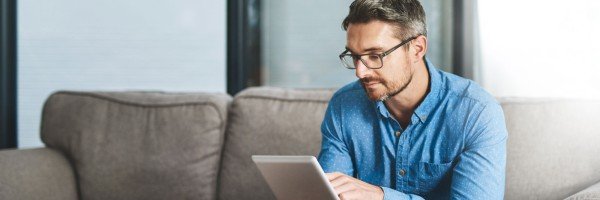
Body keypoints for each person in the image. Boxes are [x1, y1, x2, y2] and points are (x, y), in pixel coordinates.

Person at [317, 0, 507, 199]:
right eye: (355, 56)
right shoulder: (344, 106)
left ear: (417, 48)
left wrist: (381, 197)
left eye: (374, 55)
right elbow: (327, 194)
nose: (360, 72)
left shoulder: (476, 113)